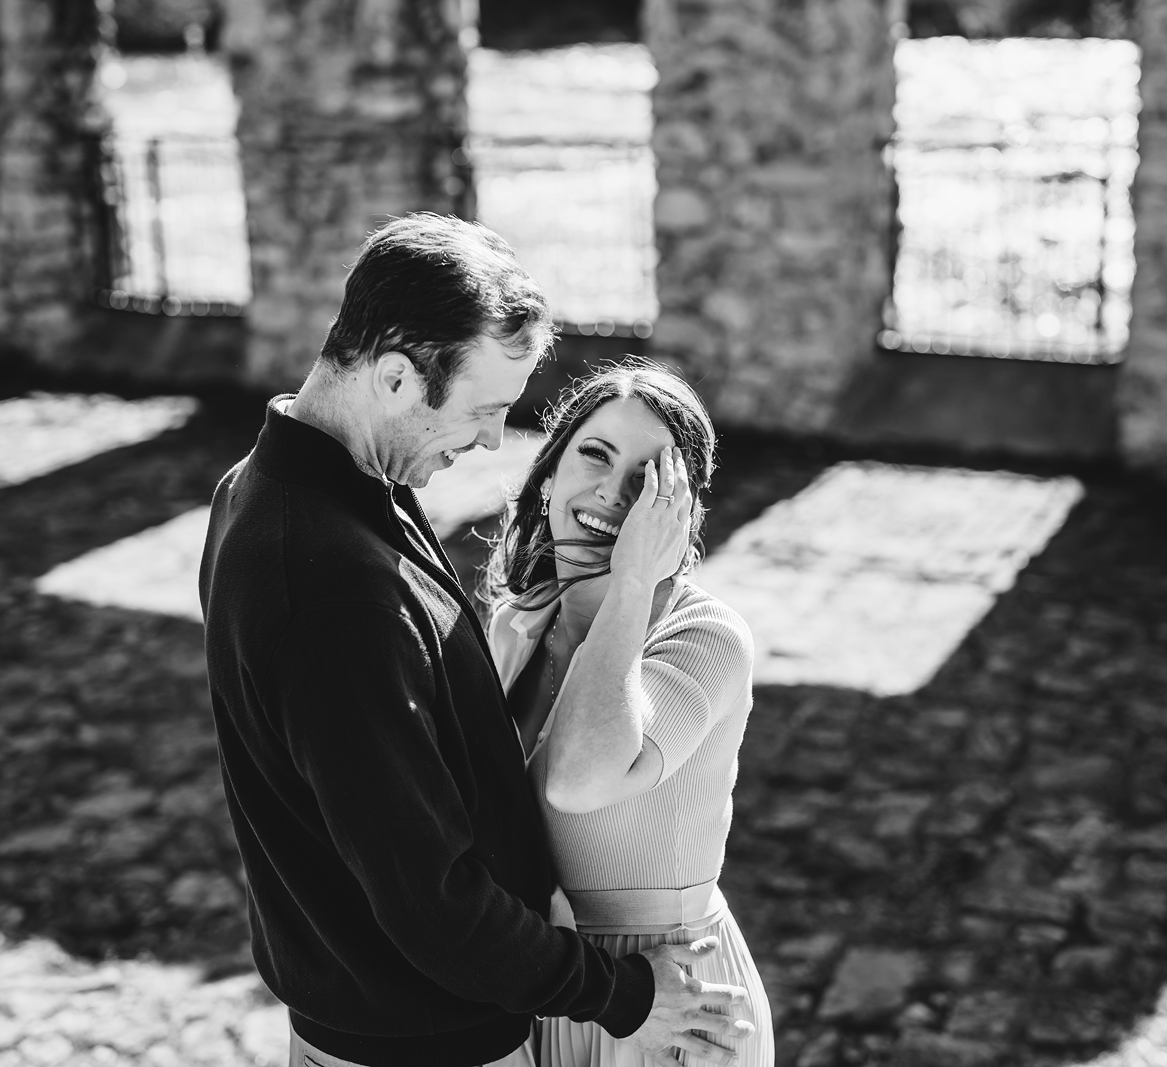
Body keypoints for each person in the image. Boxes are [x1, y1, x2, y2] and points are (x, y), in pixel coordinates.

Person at [198, 214, 754, 1067]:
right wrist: (616, 994)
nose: (495, 440)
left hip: (519, 1010)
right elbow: (430, 898)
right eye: (484, 408)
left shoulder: (301, 491)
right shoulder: (332, 582)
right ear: (393, 376)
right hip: (422, 1037)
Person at [483, 363, 774, 1067]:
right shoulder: (515, 623)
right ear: (549, 471)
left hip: (673, 1008)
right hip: (548, 991)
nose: (613, 494)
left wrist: (633, 581)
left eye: (649, 477)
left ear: (679, 512)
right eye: (595, 454)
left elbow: (579, 778)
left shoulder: (706, 638)